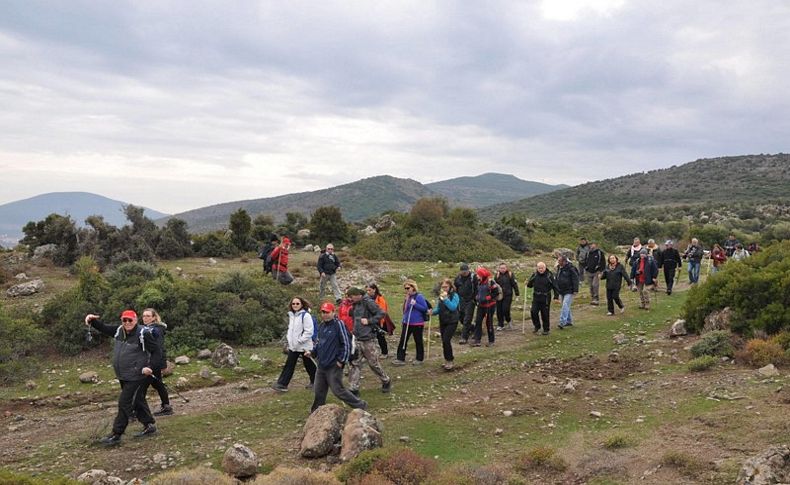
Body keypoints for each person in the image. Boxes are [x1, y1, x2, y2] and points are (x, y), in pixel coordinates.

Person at [85, 310, 159, 445]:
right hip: (124, 375)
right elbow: (104, 328)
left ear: (136, 320)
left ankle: (116, 434)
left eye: (130, 320)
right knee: (137, 400)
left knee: (124, 402)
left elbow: (157, 352)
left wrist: (150, 366)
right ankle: (149, 425)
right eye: (124, 320)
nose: (127, 323)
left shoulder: (143, 333)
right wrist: (92, 320)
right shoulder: (119, 330)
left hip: (137, 375)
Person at [307, 302, 367, 412]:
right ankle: (316, 410)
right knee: (319, 389)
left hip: (334, 365)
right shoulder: (321, 326)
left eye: (327, 312)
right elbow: (319, 343)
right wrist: (312, 352)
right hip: (321, 365)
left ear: (333, 312)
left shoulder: (339, 324)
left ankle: (360, 405)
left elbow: (346, 343)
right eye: (323, 312)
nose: (324, 314)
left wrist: (341, 361)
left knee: (338, 390)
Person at [347, 287, 392, 395]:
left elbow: (381, 313)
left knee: (373, 363)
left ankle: (386, 380)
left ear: (358, 295)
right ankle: (354, 388)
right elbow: (352, 316)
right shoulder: (355, 304)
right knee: (355, 363)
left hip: (368, 339)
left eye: (351, 297)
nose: (350, 299)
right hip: (357, 338)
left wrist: (369, 321)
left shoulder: (368, 302)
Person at [272, 297, 316, 392]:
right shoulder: (292, 315)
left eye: (297, 303)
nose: (295, 305)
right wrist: (290, 340)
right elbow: (291, 330)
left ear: (302, 304)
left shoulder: (306, 315)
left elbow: (309, 331)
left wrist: (300, 340)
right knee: (289, 364)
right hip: (293, 346)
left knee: (309, 365)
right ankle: (282, 384)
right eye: (293, 304)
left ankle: (317, 382)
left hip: (304, 346)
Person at [141, 308, 172, 416]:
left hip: (152, 362)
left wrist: (159, 363)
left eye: (148, 316)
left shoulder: (156, 330)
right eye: (144, 316)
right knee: (158, 384)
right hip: (149, 361)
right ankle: (166, 406)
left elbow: (158, 348)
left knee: (141, 388)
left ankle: (138, 412)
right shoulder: (146, 328)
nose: (145, 318)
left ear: (154, 317)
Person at [393, 280, 429, 365]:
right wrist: (404, 319)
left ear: (413, 287)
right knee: (403, 340)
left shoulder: (419, 296)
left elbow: (425, 309)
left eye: (408, 288)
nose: (406, 290)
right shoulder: (407, 297)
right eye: (405, 288)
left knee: (418, 341)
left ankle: (419, 359)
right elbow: (406, 310)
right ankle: (400, 358)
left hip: (417, 323)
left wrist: (415, 304)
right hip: (407, 322)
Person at [432, 278, 460, 370]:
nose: (444, 289)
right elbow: (438, 309)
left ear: (450, 286)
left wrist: (446, 299)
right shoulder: (441, 296)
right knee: (444, 342)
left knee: (446, 340)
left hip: (452, 321)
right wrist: (432, 312)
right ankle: (447, 360)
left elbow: (453, 307)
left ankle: (450, 360)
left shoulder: (455, 295)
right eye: (443, 287)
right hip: (443, 320)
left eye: (446, 287)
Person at [526, 262, 559, 335]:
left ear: (545, 267)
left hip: (546, 297)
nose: (540, 269)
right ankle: (537, 326)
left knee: (545, 314)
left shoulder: (549, 275)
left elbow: (555, 286)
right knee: (533, 312)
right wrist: (528, 283)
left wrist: (556, 297)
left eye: (542, 268)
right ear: (537, 268)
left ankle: (546, 329)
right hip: (536, 297)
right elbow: (530, 285)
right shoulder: (534, 275)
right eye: (539, 268)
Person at [472, 267, 499, 347]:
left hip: (489, 306)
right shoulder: (478, 282)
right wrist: (476, 297)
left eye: (478, 274)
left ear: (482, 275)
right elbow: (477, 291)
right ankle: (477, 340)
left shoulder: (491, 282)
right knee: (478, 322)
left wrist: (489, 297)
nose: (477, 276)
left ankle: (491, 341)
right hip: (481, 305)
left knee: (489, 323)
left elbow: (496, 292)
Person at [366, 284, 394, 358]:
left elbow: (382, 311)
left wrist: (380, 322)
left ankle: (384, 353)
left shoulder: (380, 299)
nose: (368, 292)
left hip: (380, 320)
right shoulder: (368, 299)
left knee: (380, 337)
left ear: (374, 289)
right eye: (367, 290)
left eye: (369, 290)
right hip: (371, 320)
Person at [454, 263, 478, 345]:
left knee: (467, 318)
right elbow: (455, 288)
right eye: (462, 271)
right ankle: (474, 328)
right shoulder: (457, 278)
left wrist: (474, 298)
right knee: (461, 317)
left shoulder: (473, 277)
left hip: (470, 300)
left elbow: (477, 288)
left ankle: (464, 337)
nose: (464, 273)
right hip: (460, 300)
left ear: (468, 270)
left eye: (466, 271)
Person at [555, 255, 579, 329]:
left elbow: (575, 279)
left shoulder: (571, 268)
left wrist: (575, 290)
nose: (558, 262)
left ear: (564, 261)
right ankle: (569, 321)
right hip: (561, 290)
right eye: (558, 261)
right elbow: (557, 278)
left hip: (569, 290)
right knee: (566, 305)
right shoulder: (559, 268)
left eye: (560, 261)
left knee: (565, 305)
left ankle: (562, 322)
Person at [495, 263, 519, 330]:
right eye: (501, 268)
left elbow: (514, 284)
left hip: (508, 295)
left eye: (504, 268)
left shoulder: (510, 274)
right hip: (499, 295)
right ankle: (500, 324)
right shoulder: (497, 275)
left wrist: (517, 294)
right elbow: (494, 285)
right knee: (499, 310)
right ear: (499, 268)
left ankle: (509, 320)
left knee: (505, 309)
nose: (502, 269)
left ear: (506, 268)